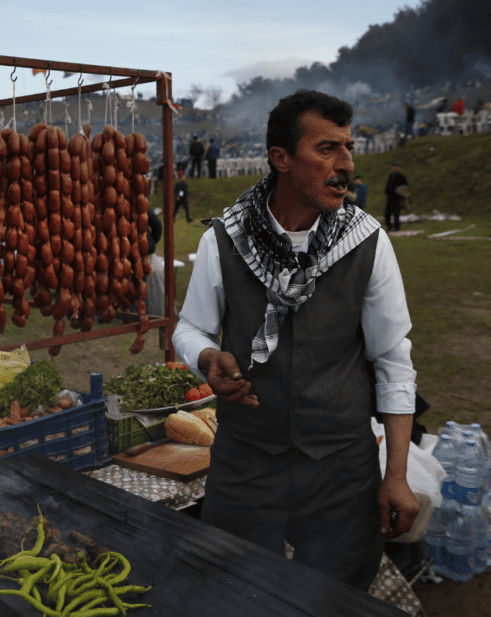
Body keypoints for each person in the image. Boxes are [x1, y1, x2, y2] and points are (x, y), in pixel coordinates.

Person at [172, 90, 419, 591]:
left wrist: (396, 474)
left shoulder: (366, 241)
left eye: (348, 148)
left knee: (335, 597)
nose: (345, 164)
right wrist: (205, 355)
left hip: (341, 470)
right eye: (327, 149)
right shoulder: (225, 239)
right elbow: (188, 328)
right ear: (280, 159)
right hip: (246, 463)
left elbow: (393, 360)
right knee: (237, 592)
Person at [385, 162, 408, 232]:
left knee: (396, 214)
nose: (394, 168)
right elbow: (388, 185)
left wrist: (400, 193)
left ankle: (396, 228)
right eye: (393, 167)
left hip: (397, 198)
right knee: (387, 213)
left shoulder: (401, 177)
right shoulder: (390, 176)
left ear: (398, 168)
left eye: (396, 167)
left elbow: (405, 187)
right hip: (390, 197)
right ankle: (389, 227)